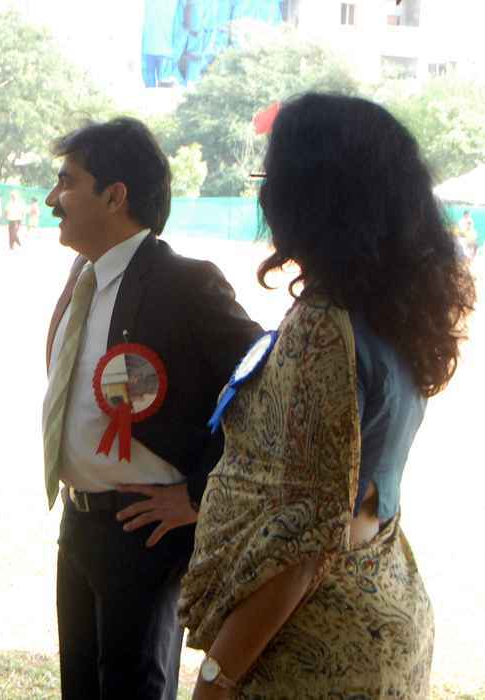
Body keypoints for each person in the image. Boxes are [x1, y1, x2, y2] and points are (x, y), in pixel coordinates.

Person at [179, 93, 476, 699]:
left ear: (310, 195)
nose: (266, 195)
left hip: (315, 640)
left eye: (273, 175)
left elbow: (304, 541)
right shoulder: (394, 313)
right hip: (384, 604)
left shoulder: (322, 324)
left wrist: (217, 676)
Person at [41, 117, 262, 699]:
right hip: (79, 523)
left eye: (67, 182)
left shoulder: (184, 283)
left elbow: (265, 384)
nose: (51, 199)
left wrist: (198, 494)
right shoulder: (84, 275)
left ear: (115, 196)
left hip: (142, 533)